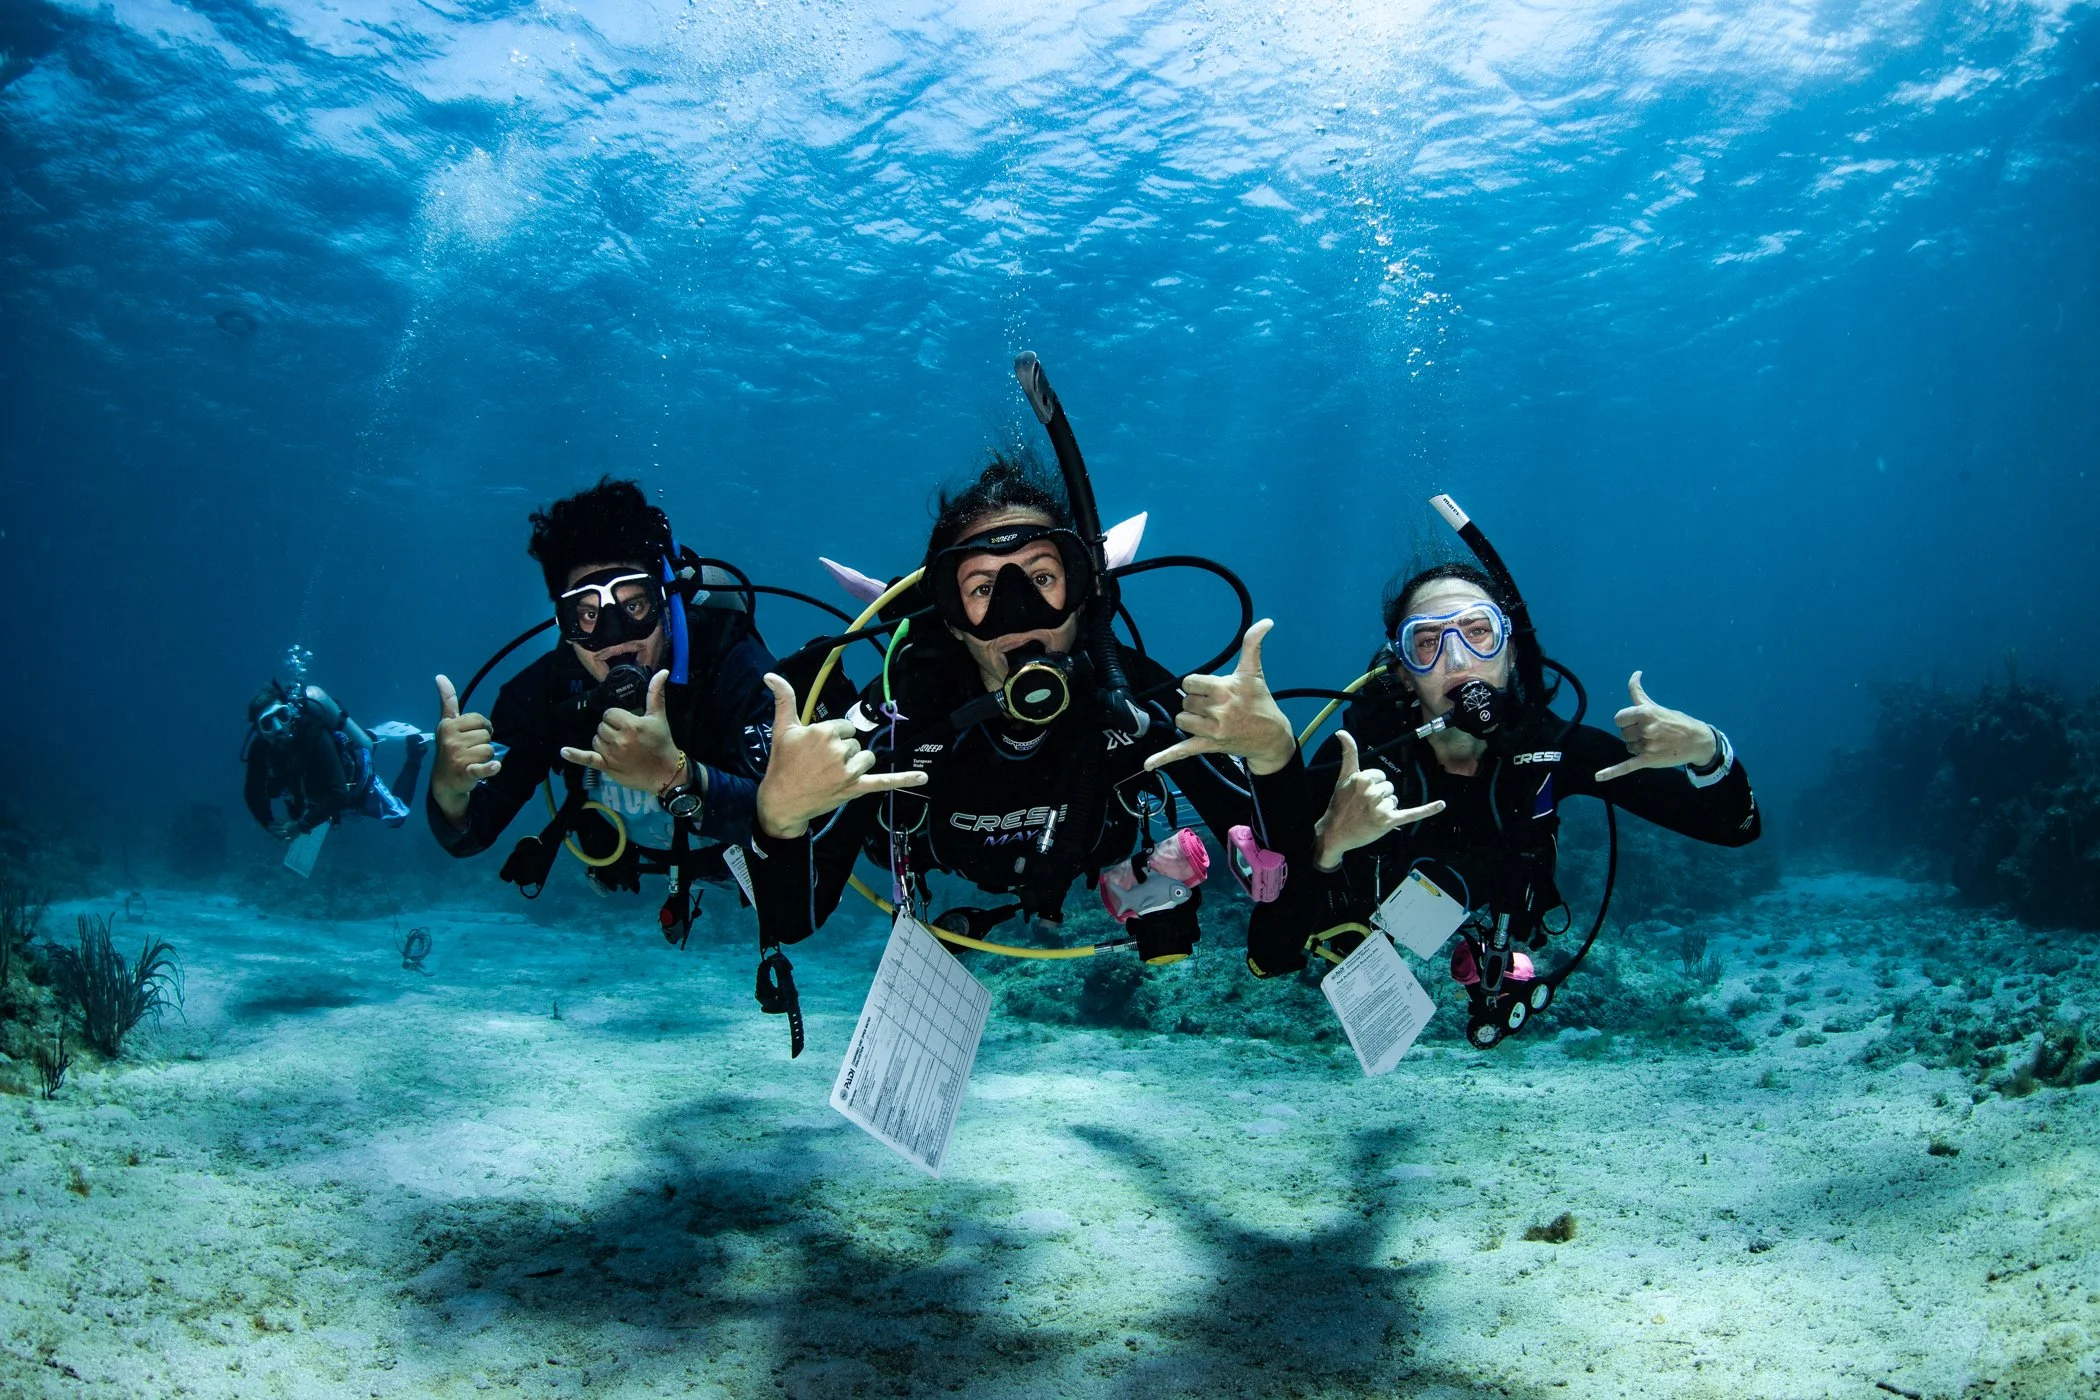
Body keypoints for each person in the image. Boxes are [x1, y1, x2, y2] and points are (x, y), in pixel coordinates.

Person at [746, 453, 1310, 966]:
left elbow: (1284, 924)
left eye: (1042, 578)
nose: (1017, 613)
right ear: (951, 619)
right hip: (940, 855)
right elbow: (792, 922)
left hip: (1082, 852)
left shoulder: (1130, 696)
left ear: (1081, 593)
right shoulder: (903, 715)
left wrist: (1274, 757)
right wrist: (779, 817)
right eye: (982, 589)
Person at [1250, 551, 1761, 1048]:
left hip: (1489, 910)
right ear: (1403, 670)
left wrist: (1709, 753)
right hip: (1363, 922)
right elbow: (1269, 956)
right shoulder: (1359, 757)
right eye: (1426, 641)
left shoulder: (1549, 749)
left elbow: (1735, 827)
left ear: (1510, 650)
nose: (1457, 659)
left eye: (1478, 631)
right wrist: (1328, 846)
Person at [427, 478, 780, 945]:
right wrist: (449, 789)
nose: (615, 636)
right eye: (588, 614)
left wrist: (674, 776)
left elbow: (792, 815)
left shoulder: (731, 662)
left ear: (666, 602)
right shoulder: (546, 691)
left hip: (731, 863)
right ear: (564, 623)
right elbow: (470, 834)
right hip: (626, 859)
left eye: (634, 605)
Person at [243, 681, 428, 838]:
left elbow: (339, 794)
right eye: (267, 723)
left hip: (355, 781)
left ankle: (415, 754)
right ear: (259, 731)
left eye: (282, 715)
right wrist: (268, 822)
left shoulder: (313, 735)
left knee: (397, 818)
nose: (278, 728)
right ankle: (368, 737)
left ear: (290, 711)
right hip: (316, 793)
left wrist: (301, 826)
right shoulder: (260, 749)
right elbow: (253, 792)